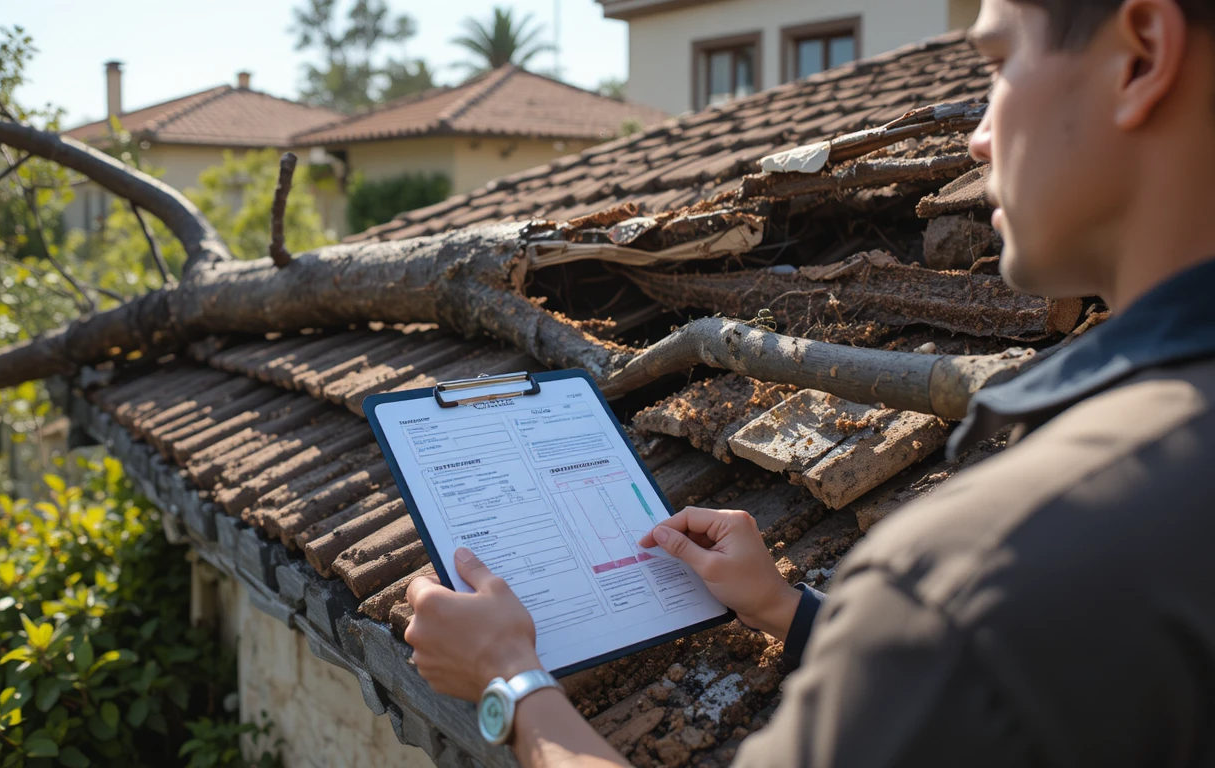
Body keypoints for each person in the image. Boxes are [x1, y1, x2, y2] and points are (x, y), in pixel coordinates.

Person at [404, 0, 1215, 763]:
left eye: (1001, 63)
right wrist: (788, 613)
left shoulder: (978, 571)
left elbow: (980, 650)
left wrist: (511, 681)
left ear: (1139, 56)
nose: (976, 138)